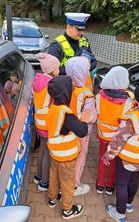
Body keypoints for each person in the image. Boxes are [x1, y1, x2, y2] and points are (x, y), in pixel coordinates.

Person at [102, 81, 139, 222]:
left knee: (122, 183)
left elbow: (118, 140)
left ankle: (120, 214)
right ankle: (128, 204)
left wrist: (108, 155)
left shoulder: (133, 118)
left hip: (127, 158)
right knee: (133, 180)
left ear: (137, 99)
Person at [45, 75, 92, 220]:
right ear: (66, 93)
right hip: (67, 155)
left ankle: (52, 199)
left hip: (54, 152)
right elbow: (82, 132)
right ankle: (67, 210)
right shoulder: (67, 113)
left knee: (53, 175)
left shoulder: (54, 108)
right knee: (67, 182)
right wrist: (84, 120)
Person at [95, 66, 135, 196]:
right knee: (113, 160)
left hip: (102, 134)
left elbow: (98, 113)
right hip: (117, 138)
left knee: (102, 157)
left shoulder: (99, 96)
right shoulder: (129, 101)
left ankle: (100, 184)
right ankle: (110, 186)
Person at [65, 56, 97, 196]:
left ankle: (64, 181)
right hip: (81, 132)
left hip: (65, 130)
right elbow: (91, 117)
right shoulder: (87, 94)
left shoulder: (64, 87)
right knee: (80, 157)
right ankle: (75, 186)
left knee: (68, 157)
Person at [32, 53, 60, 192]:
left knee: (42, 149)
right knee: (48, 152)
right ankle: (44, 182)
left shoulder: (37, 81)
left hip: (39, 121)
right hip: (48, 122)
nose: (59, 70)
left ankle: (38, 176)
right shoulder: (52, 84)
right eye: (58, 68)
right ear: (52, 70)